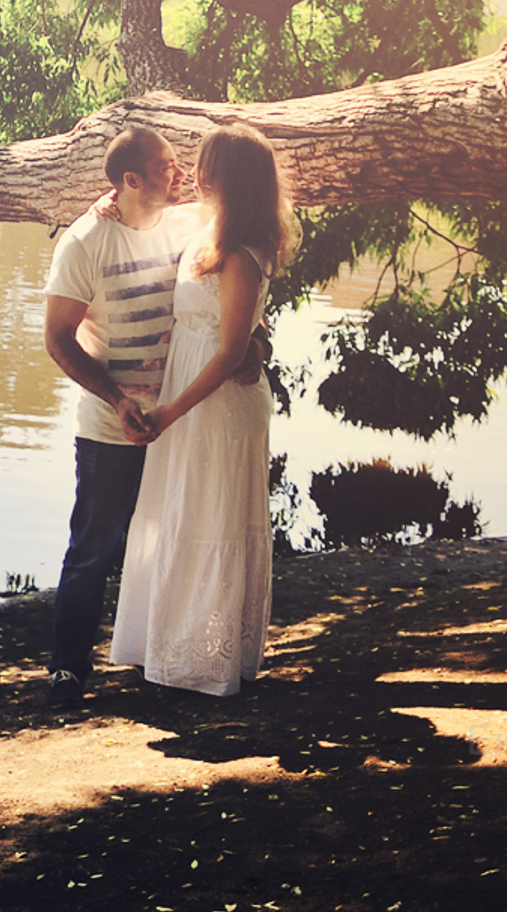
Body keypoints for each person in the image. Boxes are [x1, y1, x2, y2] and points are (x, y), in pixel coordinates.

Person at [109, 121, 292, 697]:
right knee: (179, 514)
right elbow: (143, 209)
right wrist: (107, 203)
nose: (193, 170)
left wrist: (169, 413)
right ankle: (168, 645)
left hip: (215, 401)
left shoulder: (239, 252)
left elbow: (232, 349)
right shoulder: (211, 226)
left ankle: (206, 659)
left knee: (210, 519)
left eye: (204, 162)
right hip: (189, 387)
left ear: (226, 176)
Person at [42, 125, 206, 705]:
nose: (180, 172)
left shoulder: (187, 224)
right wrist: (117, 399)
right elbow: (57, 339)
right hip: (112, 427)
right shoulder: (85, 243)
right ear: (131, 180)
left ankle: (161, 658)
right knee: (93, 549)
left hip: (179, 421)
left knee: (173, 542)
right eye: (166, 166)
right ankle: (68, 670)